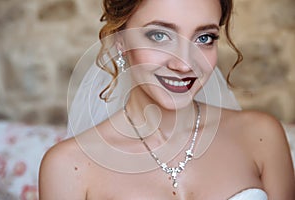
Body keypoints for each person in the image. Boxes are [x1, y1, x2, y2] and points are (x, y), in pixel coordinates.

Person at [39, 0, 295, 199]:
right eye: (159, 36)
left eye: (204, 38)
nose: (184, 64)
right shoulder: (68, 166)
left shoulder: (262, 136)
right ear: (120, 41)